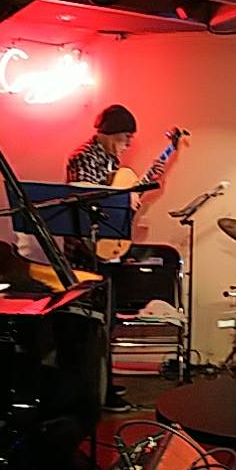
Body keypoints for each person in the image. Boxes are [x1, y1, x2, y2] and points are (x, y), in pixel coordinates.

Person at [65, 104, 148, 413]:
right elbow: (89, 201)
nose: (128, 144)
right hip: (87, 252)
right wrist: (124, 198)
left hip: (106, 250)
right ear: (111, 133)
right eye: (126, 137)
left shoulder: (111, 159)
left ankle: (103, 382)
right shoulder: (84, 156)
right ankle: (94, 390)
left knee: (108, 320)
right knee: (92, 324)